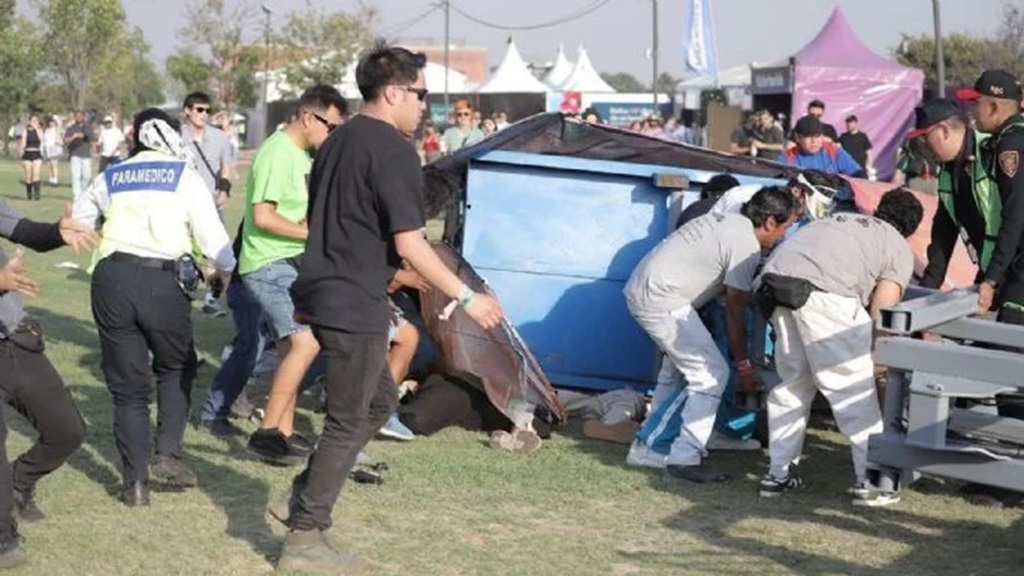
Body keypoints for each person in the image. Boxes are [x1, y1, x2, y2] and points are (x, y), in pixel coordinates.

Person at [273, 41, 503, 572]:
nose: (426, 106)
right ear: (395, 91)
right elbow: (411, 243)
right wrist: (466, 295)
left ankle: (302, 502)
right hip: (350, 298)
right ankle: (303, 539)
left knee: (376, 407)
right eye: (422, 95)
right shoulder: (394, 149)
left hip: (328, 289)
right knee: (348, 420)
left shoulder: (336, 139)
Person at [73, 108, 235, 507]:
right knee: (177, 366)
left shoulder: (113, 173)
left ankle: (135, 486)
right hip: (162, 282)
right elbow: (217, 245)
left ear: (135, 135)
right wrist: (222, 273)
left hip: (111, 280)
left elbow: (78, 218)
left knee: (128, 390)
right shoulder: (184, 175)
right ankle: (167, 454)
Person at [754, 187, 923, 506]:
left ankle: (778, 474)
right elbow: (883, 312)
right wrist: (879, 359)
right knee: (853, 393)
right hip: (825, 296)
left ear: (878, 210)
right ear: (911, 230)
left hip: (775, 288)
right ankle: (872, 482)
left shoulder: (838, 219)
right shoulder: (896, 245)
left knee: (792, 388)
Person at [624, 187, 797, 483]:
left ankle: (649, 447)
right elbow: (734, 309)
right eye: (785, 228)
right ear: (770, 222)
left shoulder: (726, 220)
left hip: (651, 290)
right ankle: (680, 455)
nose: (783, 236)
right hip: (662, 298)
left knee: (676, 373)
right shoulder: (747, 245)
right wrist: (743, 366)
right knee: (712, 374)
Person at [242, 85, 348, 466]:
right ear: (308, 117)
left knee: (291, 347)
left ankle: (284, 432)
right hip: (269, 262)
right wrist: (313, 233)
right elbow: (263, 217)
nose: (332, 135)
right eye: (331, 127)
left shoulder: (303, 154)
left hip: (291, 261)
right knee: (306, 344)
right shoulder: (277, 153)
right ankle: (266, 435)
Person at [0, 199, 94, 568]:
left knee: (67, 430)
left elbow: (24, 231)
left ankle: (17, 483)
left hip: (15, 340)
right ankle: (3, 537)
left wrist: (55, 233)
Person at [956, 70, 1024, 326]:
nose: (973, 110)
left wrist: (991, 278)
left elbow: (1015, 215)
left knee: (1004, 353)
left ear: (994, 107)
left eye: (977, 103)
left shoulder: (1011, 146)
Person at [907, 99, 992, 289]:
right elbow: (944, 230)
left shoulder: (991, 154)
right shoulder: (949, 170)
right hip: (992, 268)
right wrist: (928, 287)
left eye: (925, 138)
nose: (925, 146)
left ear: (944, 131)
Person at [181, 92, 235, 316]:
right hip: (182, 204)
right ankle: (182, 295)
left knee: (218, 254)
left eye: (207, 110)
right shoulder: (177, 136)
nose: (204, 114)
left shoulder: (219, 137)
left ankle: (211, 300)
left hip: (210, 204)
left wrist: (224, 189)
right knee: (184, 253)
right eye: (199, 110)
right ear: (187, 111)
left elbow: (227, 165)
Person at [778, 116, 864, 177]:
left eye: (817, 136)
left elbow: (860, 175)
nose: (814, 141)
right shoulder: (787, 157)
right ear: (798, 138)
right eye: (808, 136)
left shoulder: (834, 152)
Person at [63, 110, 93, 203]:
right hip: (75, 154)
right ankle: (76, 196)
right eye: (76, 116)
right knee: (75, 176)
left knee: (87, 176)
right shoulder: (71, 128)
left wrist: (82, 135)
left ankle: (83, 194)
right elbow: (65, 140)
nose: (78, 118)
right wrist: (73, 137)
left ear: (84, 117)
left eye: (80, 116)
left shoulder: (87, 127)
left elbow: (91, 137)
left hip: (86, 154)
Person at [18, 115, 43, 201]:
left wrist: (36, 128)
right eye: (32, 120)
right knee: (28, 177)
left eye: (35, 120)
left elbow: (41, 139)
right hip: (28, 154)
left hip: (36, 153)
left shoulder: (39, 130)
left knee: (36, 175)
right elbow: (23, 142)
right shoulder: (25, 131)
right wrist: (21, 150)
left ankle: (37, 196)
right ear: (29, 122)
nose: (34, 122)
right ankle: (29, 195)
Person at [41, 116, 63, 187]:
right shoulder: (47, 130)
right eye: (50, 122)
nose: (51, 123)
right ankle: (51, 179)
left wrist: (55, 117)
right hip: (47, 148)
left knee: (54, 165)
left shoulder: (56, 129)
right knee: (49, 165)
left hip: (54, 148)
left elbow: (60, 124)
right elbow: (44, 140)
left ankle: (55, 180)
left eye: (52, 122)